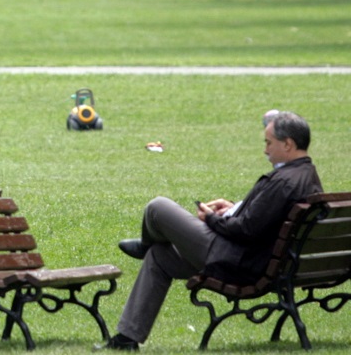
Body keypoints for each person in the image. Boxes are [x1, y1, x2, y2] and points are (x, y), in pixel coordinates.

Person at [100, 111, 322, 350]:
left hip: (237, 261)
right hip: (264, 263)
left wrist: (212, 219)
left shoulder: (283, 181)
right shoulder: (306, 176)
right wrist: (234, 208)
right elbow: (263, 219)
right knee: (160, 256)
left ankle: (144, 244)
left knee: (158, 207)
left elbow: (246, 230)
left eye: (269, 143)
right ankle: (126, 339)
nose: (265, 150)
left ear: (288, 144)